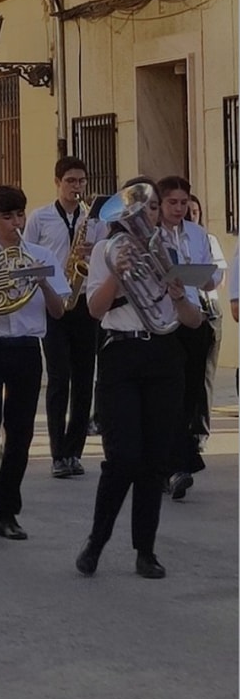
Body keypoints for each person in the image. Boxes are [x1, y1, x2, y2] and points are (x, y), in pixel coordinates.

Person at [75, 179, 202, 580]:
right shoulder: (105, 251)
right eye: (139, 209)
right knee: (123, 457)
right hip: (120, 355)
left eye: (149, 209)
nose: (145, 217)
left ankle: (145, 550)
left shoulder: (172, 251)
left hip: (164, 355)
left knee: (155, 460)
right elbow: (94, 310)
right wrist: (117, 275)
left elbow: (194, 321)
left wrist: (180, 294)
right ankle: (97, 540)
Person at [0, 184, 70, 549]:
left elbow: (59, 310)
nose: (15, 223)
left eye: (19, 215)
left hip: (26, 347)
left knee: (21, 431)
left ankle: (8, 511)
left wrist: (41, 281)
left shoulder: (41, 255)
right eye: (7, 217)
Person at [24, 156, 105, 478]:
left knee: (85, 379)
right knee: (59, 378)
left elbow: (105, 259)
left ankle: (75, 451)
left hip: (85, 303)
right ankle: (58, 453)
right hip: (55, 304)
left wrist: (92, 254)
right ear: (57, 182)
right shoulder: (40, 217)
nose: (77, 187)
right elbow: (28, 255)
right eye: (71, 181)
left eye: (81, 181)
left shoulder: (94, 220)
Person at [157, 176, 222, 500]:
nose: (180, 209)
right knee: (170, 394)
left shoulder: (197, 233)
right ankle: (173, 465)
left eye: (184, 203)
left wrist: (207, 277)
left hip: (193, 316)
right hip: (162, 320)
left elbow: (213, 275)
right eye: (173, 202)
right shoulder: (151, 235)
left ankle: (175, 464)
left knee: (190, 394)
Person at [188, 194, 227, 431]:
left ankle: (201, 429)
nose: (190, 214)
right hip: (184, 310)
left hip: (208, 308)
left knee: (205, 374)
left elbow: (219, 277)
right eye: (186, 209)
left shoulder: (208, 239)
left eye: (195, 211)